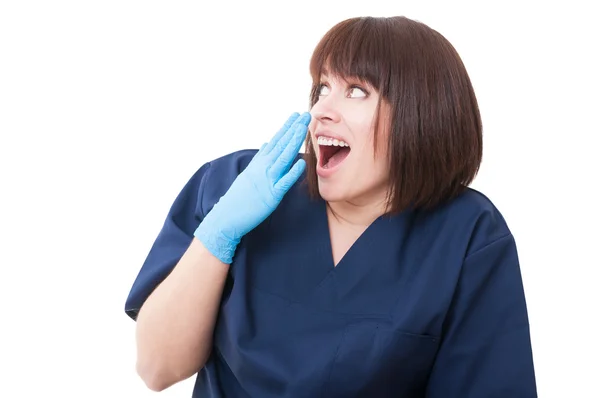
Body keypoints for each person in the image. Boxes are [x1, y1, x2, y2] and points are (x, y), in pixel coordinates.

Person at [124, 15, 537, 397]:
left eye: (356, 91)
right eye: (322, 88)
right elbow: (158, 369)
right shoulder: (237, 185)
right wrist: (217, 236)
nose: (321, 110)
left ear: (420, 114)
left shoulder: (467, 237)